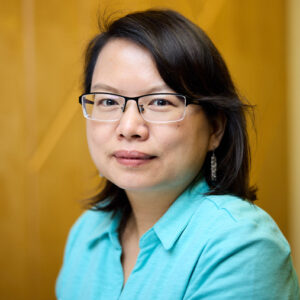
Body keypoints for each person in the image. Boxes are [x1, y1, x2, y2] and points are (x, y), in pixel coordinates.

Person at [56, 9, 299, 300]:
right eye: (108, 100)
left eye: (160, 101)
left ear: (215, 129)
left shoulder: (242, 243)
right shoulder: (86, 233)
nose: (129, 127)